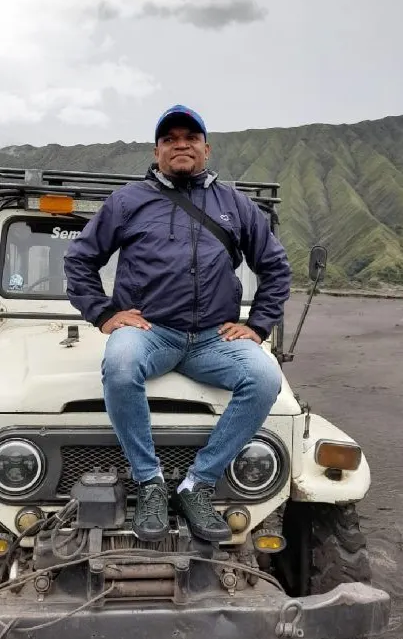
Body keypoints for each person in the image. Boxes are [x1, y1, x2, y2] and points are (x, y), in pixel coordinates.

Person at [64, 105, 292, 543]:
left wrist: (258, 325)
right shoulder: (128, 201)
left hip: (213, 338)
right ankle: (150, 482)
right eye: (171, 139)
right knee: (121, 365)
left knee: (265, 376)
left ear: (206, 148)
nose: (181, 144)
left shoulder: (235, 205)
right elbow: (80, 259)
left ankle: (197, 484)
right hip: (151, 332)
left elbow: (276, 267)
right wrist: (104, 313)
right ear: (157, 150)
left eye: (191, 137)